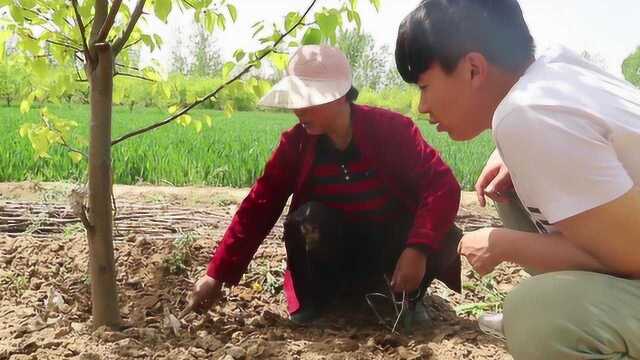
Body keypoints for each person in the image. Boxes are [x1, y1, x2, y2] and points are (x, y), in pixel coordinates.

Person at [395, 0, 640, 358]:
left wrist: (500, 243)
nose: (422, 107)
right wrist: (512, 151)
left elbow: (632, 255)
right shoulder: (555, 73)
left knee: (537, 314)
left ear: (474, 69)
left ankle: (569, 317)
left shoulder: (526, 113)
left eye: (424, 86)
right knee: (511, 193)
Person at [182, 45, 463, 326]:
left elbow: (442, 186)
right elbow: (258, 207)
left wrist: (418, 249)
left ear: (340, 95)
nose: (298, 109)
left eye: (309, 99)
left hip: (391, 249)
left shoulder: (392, 131)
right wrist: (216, 275)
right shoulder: (297, 145)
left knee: (442, 232)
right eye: (296, 98)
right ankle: (323, 302)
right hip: (336, 252)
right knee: (308, 219)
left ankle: (407, 299)